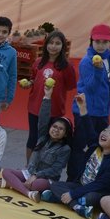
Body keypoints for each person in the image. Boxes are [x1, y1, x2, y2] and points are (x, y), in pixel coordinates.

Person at [41, 94, 110, 217]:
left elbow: (99, 185)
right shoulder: (95, 146)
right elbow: (88, 128)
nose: (105, 133)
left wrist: (73, 194)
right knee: (55, 185)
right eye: (106, 130)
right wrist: (83, 107)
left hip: (97, 191)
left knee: (89, 197)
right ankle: (77, 206)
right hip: (80, 185)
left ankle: (63, 199)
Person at [69, 23, 110, 181]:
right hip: (85, 111)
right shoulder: (87, 62)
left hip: (102, 112)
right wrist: (98, 70)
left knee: (99, 148)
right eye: (98, 42)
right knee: (80, 147)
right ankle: (73, 179)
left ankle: (90, 178)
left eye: (105, 42)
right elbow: (90, 89)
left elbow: (108, 85)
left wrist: (106, 108)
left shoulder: (109, 57)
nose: (101, 45)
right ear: (91, 41)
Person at [24, 30, 75, 158]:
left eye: (57, 43)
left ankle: (42, 168)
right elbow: (33, 78)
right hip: (35, 107)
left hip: (54, 109)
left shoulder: (67, 66)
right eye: (51, 43)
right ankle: (28, 166)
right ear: (46, 44)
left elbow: (70, 86)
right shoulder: (38, 62)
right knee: (33, 136)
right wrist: (28, 83)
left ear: (63, 46)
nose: (53, 46)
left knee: (50, 138)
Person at [1, 113, 73, 200]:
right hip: (30, 172)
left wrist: (36, 176)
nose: (56, 130)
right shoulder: (42, 138)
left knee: (36, 184)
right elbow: (43, 118)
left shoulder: (65, 149)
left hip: (46, 178)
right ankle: (28, 193)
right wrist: (47, 99)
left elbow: (55, 170)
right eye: (54, 126)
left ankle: (13, 184)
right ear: (50, 127)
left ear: (65, 134)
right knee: (6, 172)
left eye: (61, 129)